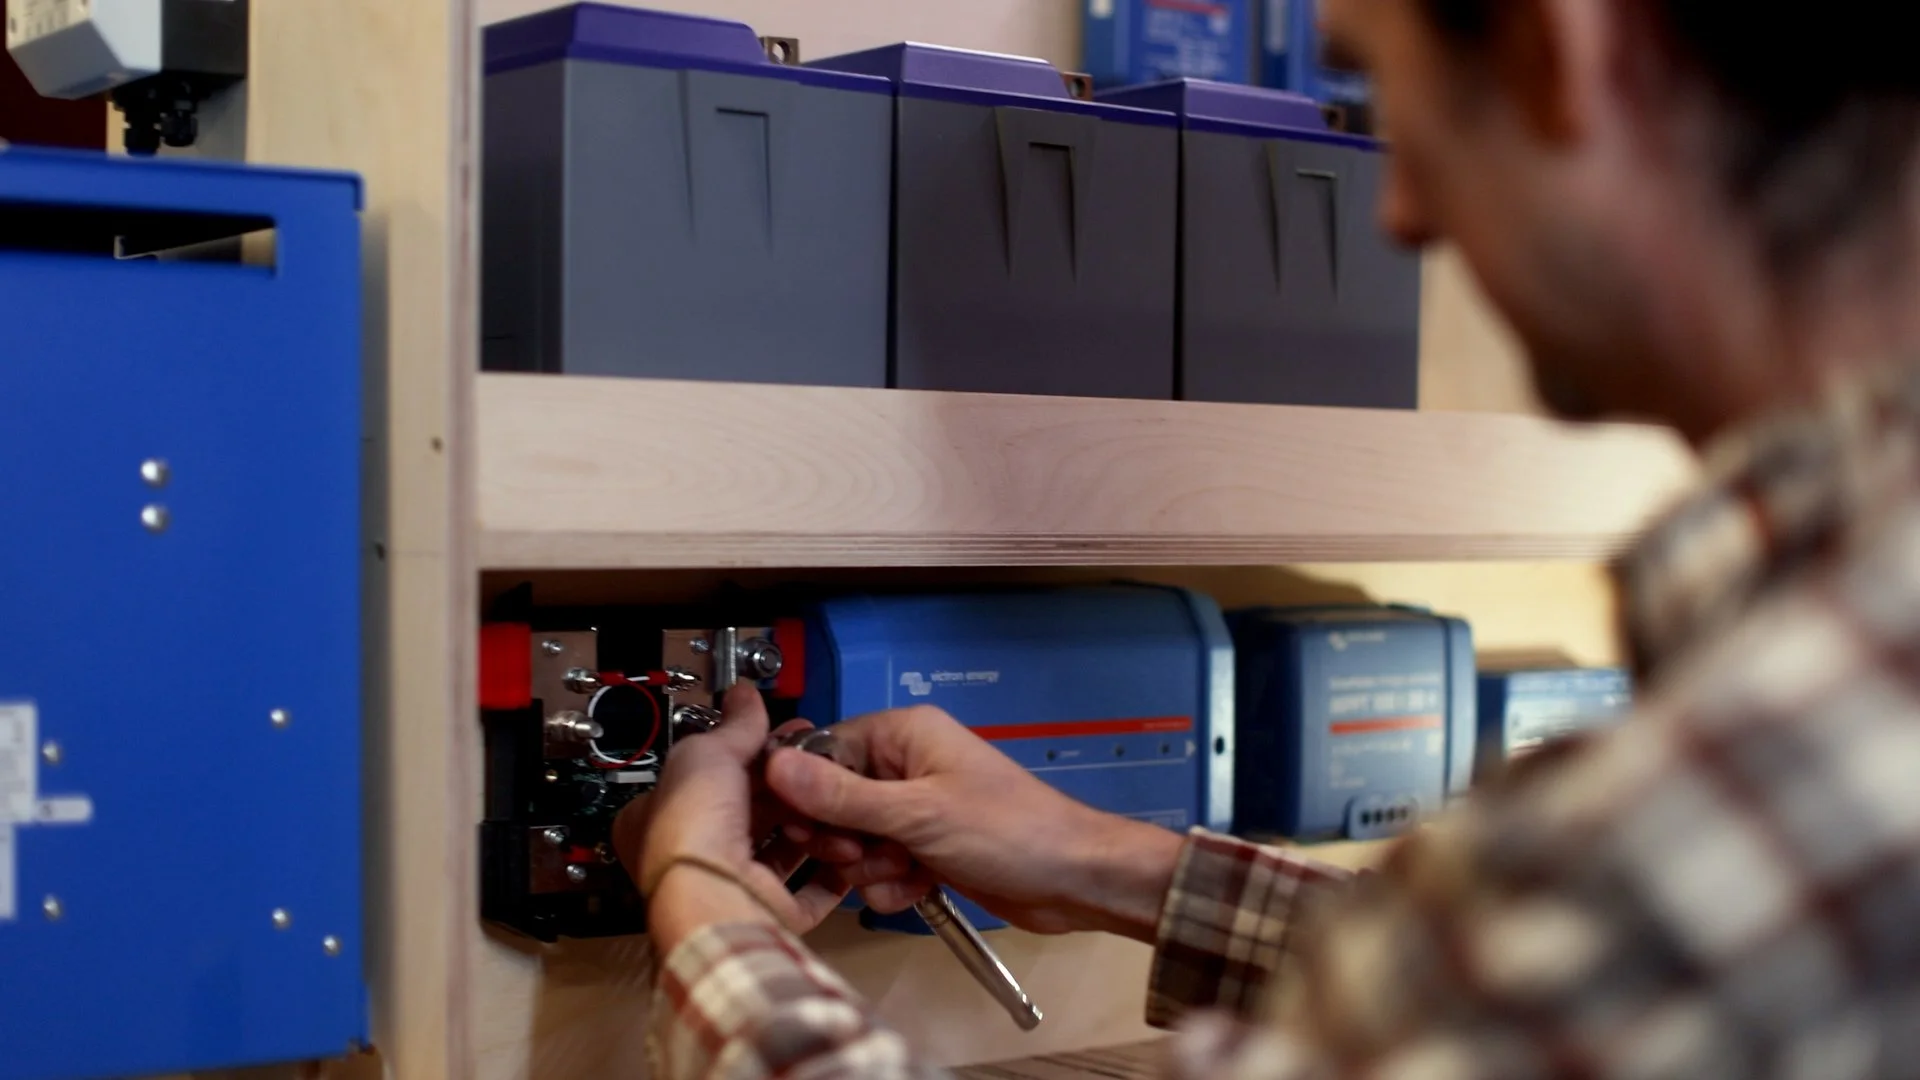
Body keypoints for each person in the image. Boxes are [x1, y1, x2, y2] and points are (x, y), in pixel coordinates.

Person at [617, 0, 1920, 1075]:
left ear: (1553, 53)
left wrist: (697, 888)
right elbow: (1536, 987)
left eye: (1385, 105)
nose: (1401, 214)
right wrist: (1099, 862)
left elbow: (1587, 943)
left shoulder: (1745, 785)